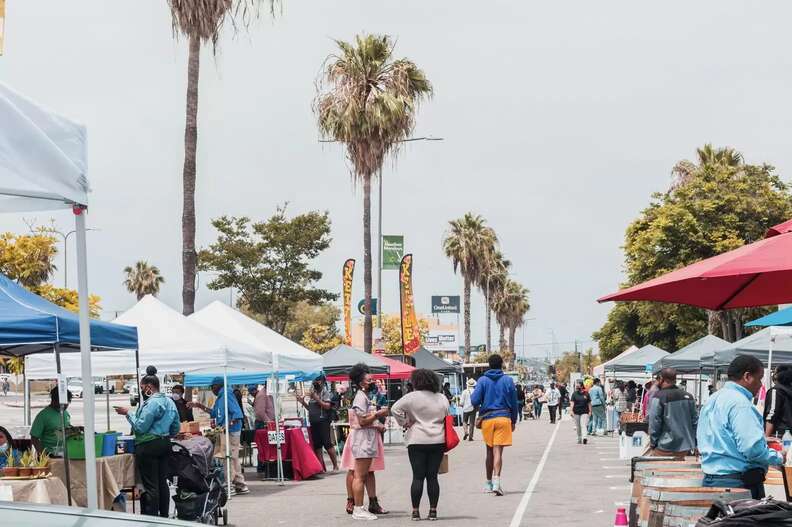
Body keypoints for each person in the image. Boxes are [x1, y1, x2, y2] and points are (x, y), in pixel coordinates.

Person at [698, 355, 785, 499]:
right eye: (759, 378)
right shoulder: (740, 404)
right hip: (738, 483)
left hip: (712, 479)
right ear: (747, 376)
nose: (761, 385)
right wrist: (779, 457)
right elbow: (752, 449)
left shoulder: (713, 399)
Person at [114, 366, 180, 517]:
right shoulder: (170, 402)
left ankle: (152, 519)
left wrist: (128, 413)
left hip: (148, 446)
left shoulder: (151, 404)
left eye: (142, 388)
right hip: (164, 444)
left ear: (149, 387)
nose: (142, 391)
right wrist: (165, 434)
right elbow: (176, 427)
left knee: (151, 486)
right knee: (162, 483)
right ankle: (164, 516)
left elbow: (140, 427)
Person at [391, 368, 450, 521]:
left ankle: (415, 512)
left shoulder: (411, 397)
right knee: (432, 477)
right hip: (437, 440)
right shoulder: (441, 398)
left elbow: (394, 409)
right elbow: (447, 414)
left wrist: (405, 422)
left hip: (416, 440)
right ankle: (433, 511)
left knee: (417, 477)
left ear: (416, 381)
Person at [341, 363, 389, 520]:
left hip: (366, 437)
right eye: (368, 379)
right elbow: (362, 421)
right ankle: (358, 508)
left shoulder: (364, 396)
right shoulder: (360, 397)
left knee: (364, 474)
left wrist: (377, 423)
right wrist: (378, 414)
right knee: (359, 475)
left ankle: (362, 506)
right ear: (361, 381)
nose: (372, 380)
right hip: (363, 439)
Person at [189, 377, 250, 495]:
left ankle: (229, 485)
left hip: (231, 431)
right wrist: (199, 405)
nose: (212, 389)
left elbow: (237, 414)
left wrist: (227, 425)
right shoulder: (220, 398)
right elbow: (214, 412)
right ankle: (240, 484)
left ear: (218, 385)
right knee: (233, 457)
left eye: (213, 387)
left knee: (228, 457)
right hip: (226, 430)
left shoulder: (227, 394)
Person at [471, 354, 518, 496]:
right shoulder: (508, 380)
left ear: (489, 365)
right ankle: (497, 482)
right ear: (501, 364)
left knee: (489, 451)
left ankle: (488, 483)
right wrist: (514, 420)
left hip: (488, 419)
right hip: (503, 417)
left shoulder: (482, 380)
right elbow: (514, 403)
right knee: (498, 451)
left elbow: (474, 401)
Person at [647, 368, 697, 459]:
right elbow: (695, 422)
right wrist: (695, 443)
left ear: (661, 379)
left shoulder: (658, 397)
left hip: (665, 446)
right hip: (685, 447)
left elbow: (654, 422)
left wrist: (653, 443)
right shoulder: (689, 397)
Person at [298, 374, 339, 472]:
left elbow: (327, 406)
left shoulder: (325, 393)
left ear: (323, 382)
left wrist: (316, 398)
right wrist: (302, 402)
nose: (316, 382)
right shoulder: (313, 393)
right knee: (317, 445)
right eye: (315, 380)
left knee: (327, 444)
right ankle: (320, 468)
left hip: (323, 421)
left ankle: (335, 466)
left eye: (318, 381)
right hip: (313, 422)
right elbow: (311, 409)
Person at [31, 386, 72, 455]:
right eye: (62, 403)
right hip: (49, 454)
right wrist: (44, 455)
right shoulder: (43, 415)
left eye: (67, 403)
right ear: (54, 400)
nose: (64, 405)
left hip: (64, 454)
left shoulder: (65, 413)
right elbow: (34, 438)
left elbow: (66, 428)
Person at [764, 365, 792, 438]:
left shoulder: (775, 391)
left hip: (779, 435)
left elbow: (771, 414)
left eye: (775, 373)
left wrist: (766, 437)